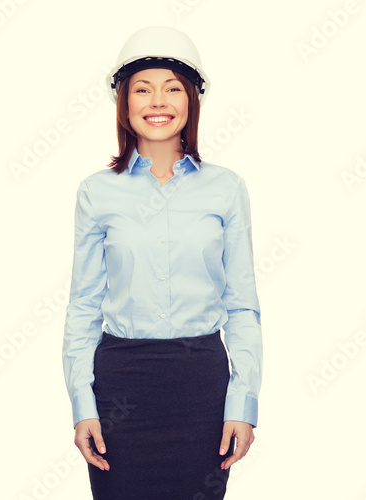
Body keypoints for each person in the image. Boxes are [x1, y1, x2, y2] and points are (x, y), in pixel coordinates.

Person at [62, 25, 263, 500]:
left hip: (201, 386)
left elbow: (242, 306)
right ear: (124, 102)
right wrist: (82, 405)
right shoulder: (96, 191)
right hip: (120, 385)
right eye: (143, 88)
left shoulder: (227, 188)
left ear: (192, 100)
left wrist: (243, 402)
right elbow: (83, 307)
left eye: (173, 88)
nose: (159, 101)